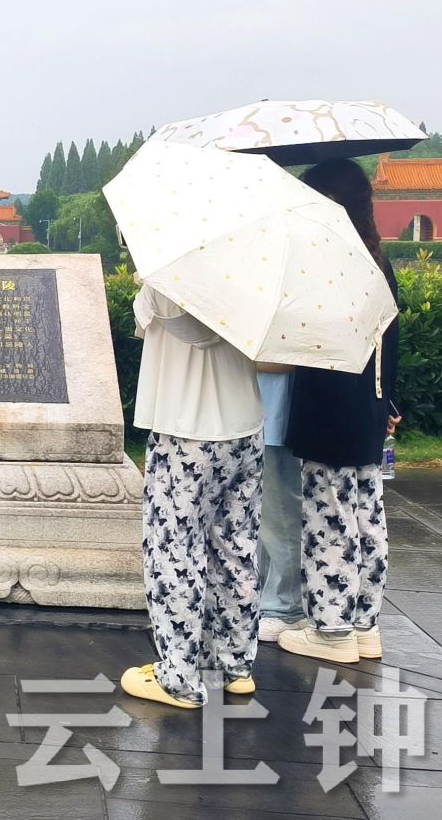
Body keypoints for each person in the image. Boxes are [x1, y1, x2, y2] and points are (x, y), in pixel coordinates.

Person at [278, 158, 401, 665]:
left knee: (329, 517)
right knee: (366, 516)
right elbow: (391, 342)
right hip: (369, 410)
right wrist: (389, 402)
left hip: (330, 411)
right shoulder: (377, 262)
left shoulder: (328, 267)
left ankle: (330, 632)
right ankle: (364, 625)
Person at [121, 283, 265, 709]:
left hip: (187, 429)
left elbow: (186, 330)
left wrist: (149, 285)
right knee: (236, 547)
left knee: (174, 552)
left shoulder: (173, 273)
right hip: (245, 426)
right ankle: (234, 664)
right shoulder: (251, 270)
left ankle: (178, 678)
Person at [255, 360, 307, 643]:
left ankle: (286, 605)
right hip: (252, 404)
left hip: (277, 404)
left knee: (281, 509)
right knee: (264, 512)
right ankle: (269, 598)